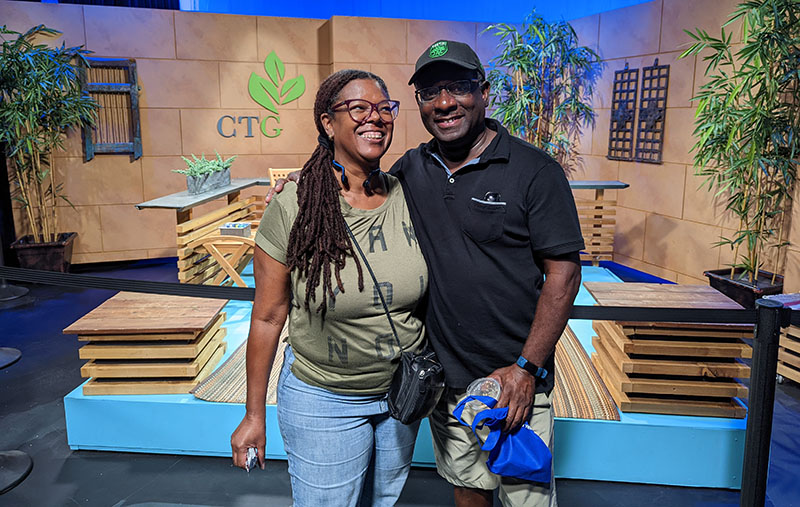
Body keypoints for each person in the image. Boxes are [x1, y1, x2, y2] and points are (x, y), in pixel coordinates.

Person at [268, 40, 583, 507]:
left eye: (458, 87)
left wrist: (526, 369)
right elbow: (356, 181)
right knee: (468, 489)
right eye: (430, 91)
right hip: (447, 380)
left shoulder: (535, 171)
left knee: (527, 499)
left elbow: (564, 276)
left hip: (514, 379)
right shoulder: (412, 169)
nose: (444, 102)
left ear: (485, 92)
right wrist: (306, 178)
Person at [230, 69, 429, 507]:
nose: (374, 117)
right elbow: (266, 317)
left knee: (384, 501)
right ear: (327, 122)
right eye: (358, 108)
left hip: (401, 394)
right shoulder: (295, 204)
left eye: (384, 108)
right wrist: (253, 414)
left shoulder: (410, 193)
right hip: (325, 398)